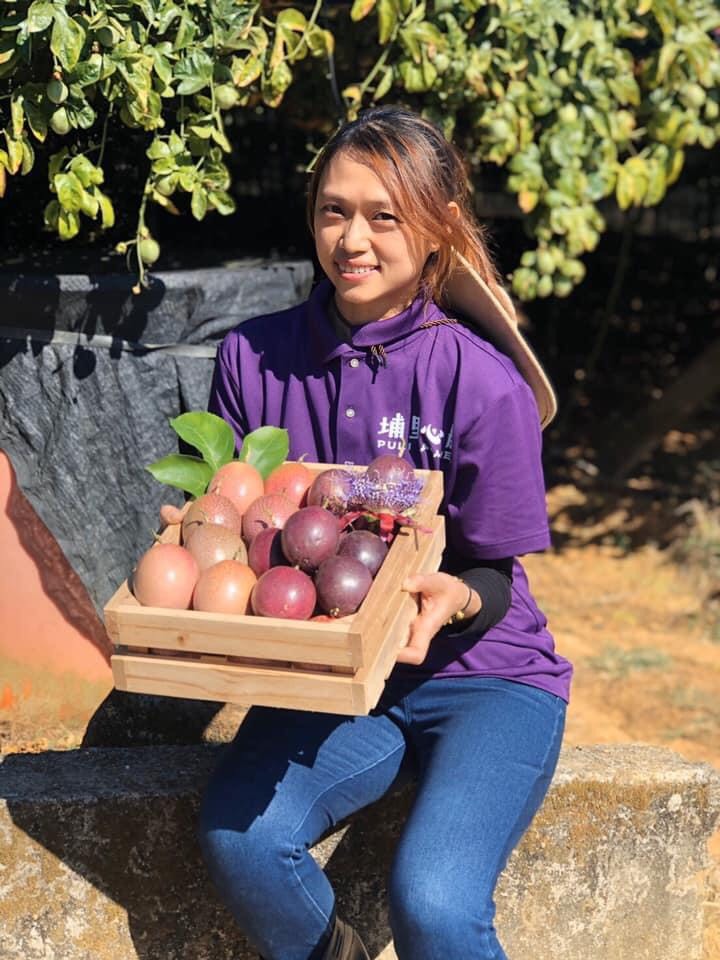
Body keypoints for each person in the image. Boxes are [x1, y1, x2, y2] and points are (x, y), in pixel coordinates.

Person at [198, 106, 573, 960]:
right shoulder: (253, 359)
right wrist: (205, 534)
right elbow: (239, 498)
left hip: (484, 679)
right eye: (334, 210)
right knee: (242, 840)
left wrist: (452, 598)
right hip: (333, 681)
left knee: (435, 904)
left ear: (437, 230)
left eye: (384, 215)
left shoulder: (483, 382)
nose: (352, 239)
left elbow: (494, 573)